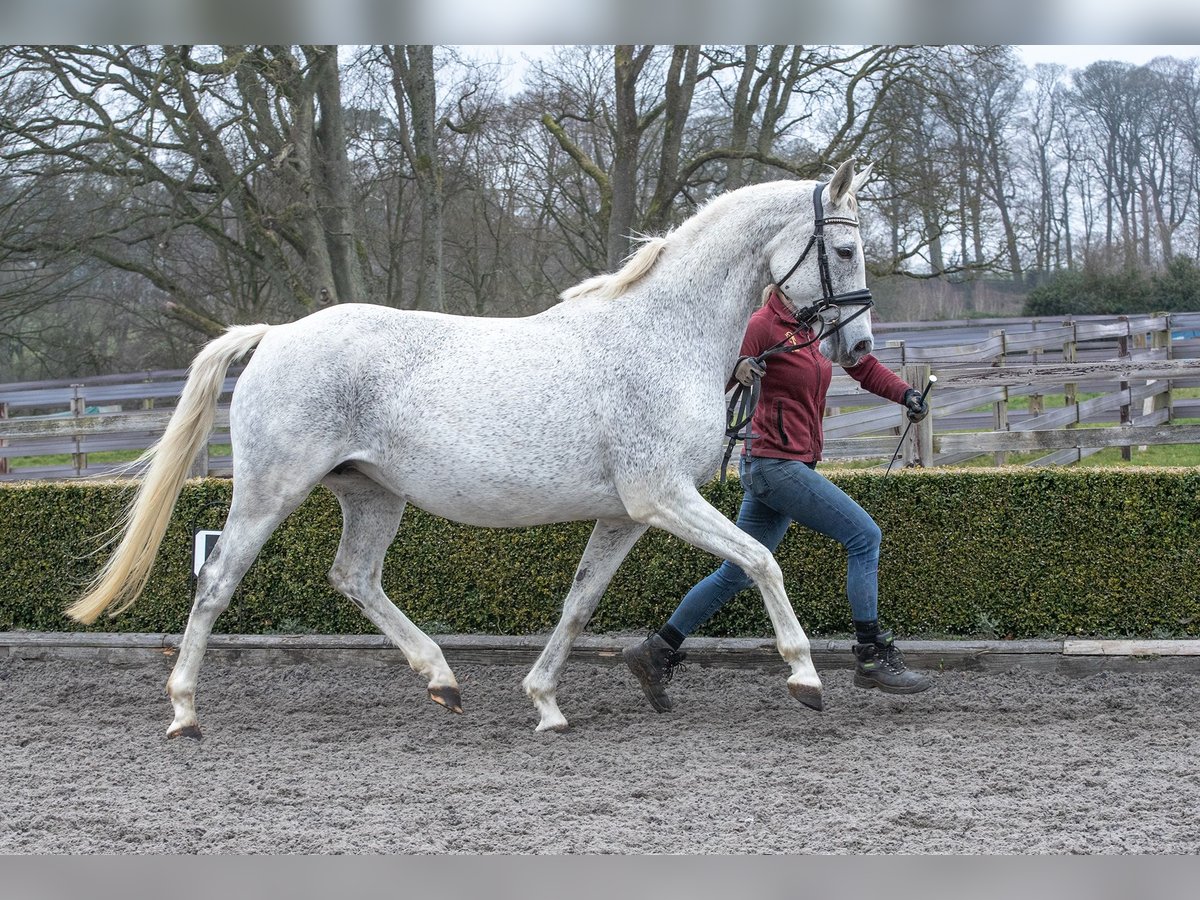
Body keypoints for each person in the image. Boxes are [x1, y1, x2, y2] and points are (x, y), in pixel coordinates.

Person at [623, 285, 933, 712]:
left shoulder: (816, 324)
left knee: (736, 573)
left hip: (789, 464)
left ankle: (655, 651)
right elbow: (711, 377)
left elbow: (860, 364)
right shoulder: (761, 325)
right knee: (865, 537)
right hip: (774, 465)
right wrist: (738, 367)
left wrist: (904, 394)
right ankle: (871, 653)